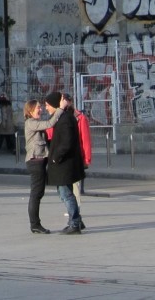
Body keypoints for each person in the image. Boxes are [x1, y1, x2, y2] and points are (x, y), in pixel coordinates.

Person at [44, 91, 84, 234]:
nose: (46, 108)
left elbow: (66, 143)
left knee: (66, 194)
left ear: (55, 104)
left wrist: (56, 157)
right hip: (64, 163)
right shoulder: (63, 117)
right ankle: (77, 221)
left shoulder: (65, 119)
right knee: (64, 193)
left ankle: (75, 223)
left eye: (48, 105)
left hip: (64, 164)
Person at [23, 97, 62, 234]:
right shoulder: (31, 123)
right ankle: (35, 224)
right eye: (38, 107)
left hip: (39, 160)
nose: (40, 109)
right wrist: (60, 109)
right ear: (31, 110)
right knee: (36, 193)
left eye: (40, 107)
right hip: (35, 161)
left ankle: (35, 224)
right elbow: (50, 123)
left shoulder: (35, 122)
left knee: (38, 193)